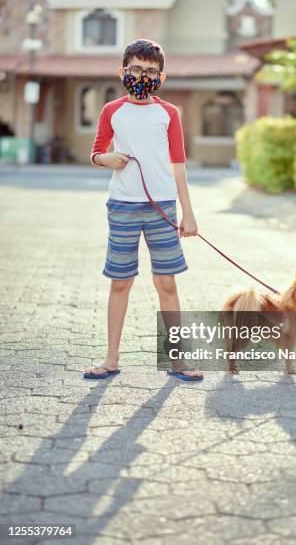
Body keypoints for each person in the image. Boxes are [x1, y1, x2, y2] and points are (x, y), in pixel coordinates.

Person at [84, 38, 203, 381]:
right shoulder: (111, 111)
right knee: (120, 282)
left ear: (161, 78)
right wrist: (105, 158)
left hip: (161, 207)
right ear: (123, 71)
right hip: (122, 206)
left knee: (166, 281)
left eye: (151, 71)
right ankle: (111, 359)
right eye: (136, 69)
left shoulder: (169, 114)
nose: (142, 76)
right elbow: (96, 152)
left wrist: (188, 213)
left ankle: (177, 359)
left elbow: (178, 165)